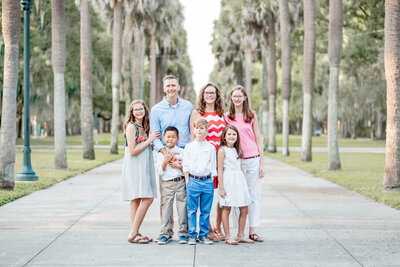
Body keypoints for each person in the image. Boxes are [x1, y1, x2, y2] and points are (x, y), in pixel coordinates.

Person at [150, 75, 193, 240]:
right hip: (165, 155)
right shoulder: (157, 110)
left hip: (184, 155)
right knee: (166, 201)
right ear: (164, 88)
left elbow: (191, 130)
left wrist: (185, 158)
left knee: (184, 200)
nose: (171, 88)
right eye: (168, 86)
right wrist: (166, 155)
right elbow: (155, 135)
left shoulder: (188, 106)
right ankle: (165, 233)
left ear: (178, 86)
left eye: (173, 85)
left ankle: (184, 232)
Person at [224, 85, 265, 242]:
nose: (237, 99)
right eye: (234, 96)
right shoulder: (227, 117)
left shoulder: (252, 115)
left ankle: (252, 230)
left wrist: (262, 163)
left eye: (239, 96)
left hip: (253, 158)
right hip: (236, 161)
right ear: (231, 98)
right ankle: (238, 232)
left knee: (253, 196)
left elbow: (258, 138)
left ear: (245, 98)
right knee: (236, 195)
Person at [189, 82, 226, 241]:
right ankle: (209, 229)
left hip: (221, 156)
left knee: (220, 194)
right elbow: (192, 137)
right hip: (205, 160)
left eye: (212, 93)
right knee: (206, 195)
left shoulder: (222, 113)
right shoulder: (197, 112)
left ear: (217, 95)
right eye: (206, 93)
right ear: (202, 95)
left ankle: (218, 226)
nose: (210, 95)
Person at [121, 100, 160, 244]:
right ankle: (132, 233)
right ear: (131, 112)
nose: (139, 111)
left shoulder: (144, 126)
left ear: (145, 110)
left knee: (136, 199)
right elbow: (132, 151)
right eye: (136, 109)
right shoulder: (132, 127)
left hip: (144, 165)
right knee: (147, 198)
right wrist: (150, 140)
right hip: (135, 166)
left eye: (141, 109)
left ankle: (135, 232)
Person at [217, 125, 254, 245]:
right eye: (229, 134)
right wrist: (221, 188)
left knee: (244, 208)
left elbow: (241, 167)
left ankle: (240, 235)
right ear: (224, 136)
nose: (232, 136)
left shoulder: (238, 150)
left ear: (237, 137)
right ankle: (228, 236)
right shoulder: (222, 150)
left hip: (239, 180)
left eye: (234, 134)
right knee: (227, 207)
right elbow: (220, 170)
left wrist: (244, 183)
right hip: (228, 180)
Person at [183, 118, 217, 245]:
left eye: (202, 128)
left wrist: (211, 181)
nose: (199, 130)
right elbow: (185, 165)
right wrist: (188, 181)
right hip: (193, 180)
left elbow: (213, 167)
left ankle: (203, 234)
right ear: (194, 130)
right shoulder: (189, 147)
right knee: (192, 210)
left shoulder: (211, 148)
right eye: (196, 128)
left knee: (205, 210)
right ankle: (192, 234)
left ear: (206, 131)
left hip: (207, 181)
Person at [156, 126, 188, 245]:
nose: (170, 139)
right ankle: (165, 234)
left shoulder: (182, 152)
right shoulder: (161, 153)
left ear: (178, 138)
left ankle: (183, 233)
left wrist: (178, 166)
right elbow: (160, 171)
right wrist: (166, 160)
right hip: (167, 183)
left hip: (180, 182)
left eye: (173, 137)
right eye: (168, 137)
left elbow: (187, 168)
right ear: (164, 138)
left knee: (182, 208)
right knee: (166, 209)